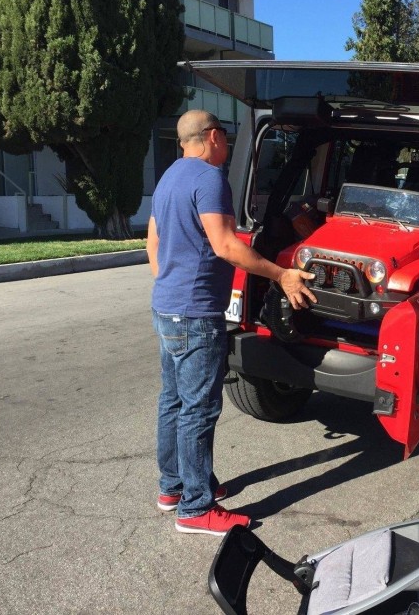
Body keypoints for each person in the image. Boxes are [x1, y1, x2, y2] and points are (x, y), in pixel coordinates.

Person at [147, 110, 316, 536]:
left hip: (166, 306)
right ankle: (195, 508)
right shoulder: (208, 179)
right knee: (198, 410)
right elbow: (225, 245)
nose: (227, 144)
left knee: (173, 401)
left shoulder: (169, 177)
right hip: (196, 312)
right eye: (226, 135)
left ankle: (174, 488)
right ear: (212, 136)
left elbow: (152, 241)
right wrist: (281, 274)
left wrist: (169, 284)